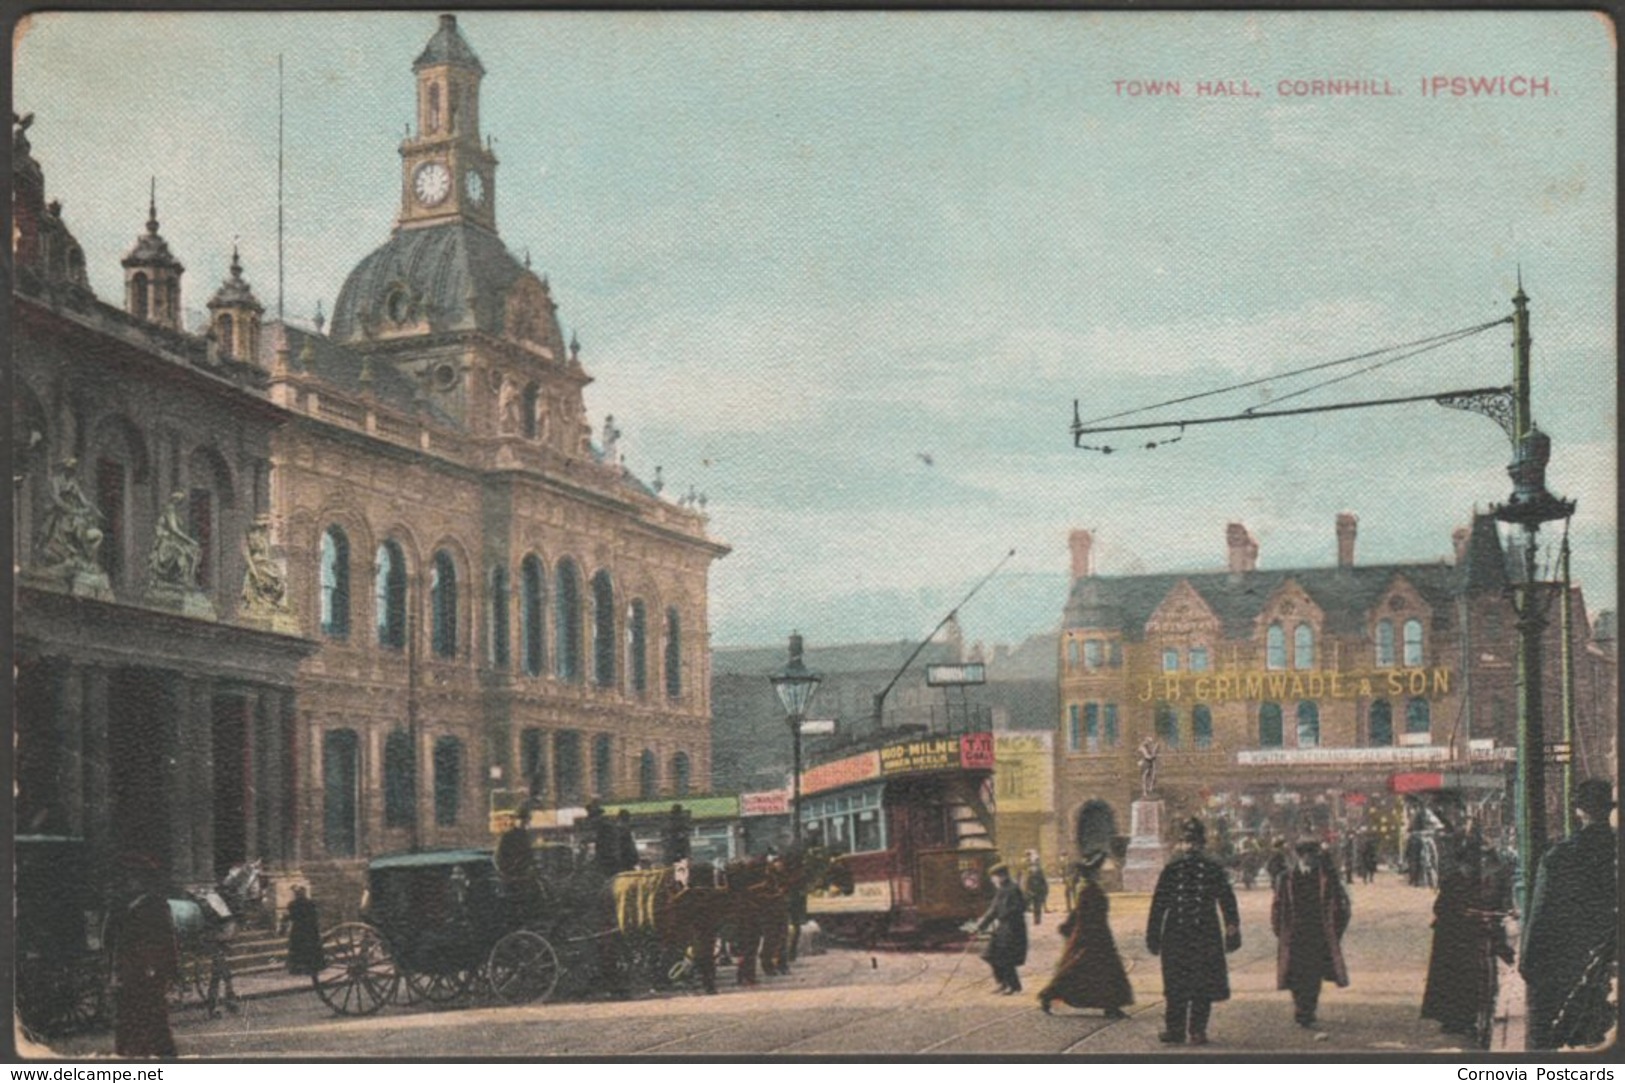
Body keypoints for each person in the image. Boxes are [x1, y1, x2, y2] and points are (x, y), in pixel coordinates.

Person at [1521, 778, 1618, 1050]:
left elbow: (1540, 918)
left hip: (1563, 967)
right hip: (1609, 965)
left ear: (1579, 810)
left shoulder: (1559, 858)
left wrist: (1529, 965)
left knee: (1550, 1045)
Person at [1146, 817, 1241, 1046]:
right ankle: (1175, 1030)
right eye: (1187, 842)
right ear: (1181, 844)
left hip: (1204, 933)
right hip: (1175, 933)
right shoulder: (1172, 868)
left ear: (1201, 844)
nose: (1190, 847)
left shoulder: (1212, 868)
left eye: (1194, 842)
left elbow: (1227, 900)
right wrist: (1153, 934)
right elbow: (1159, 903)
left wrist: (1232, 928)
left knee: (1202, 984)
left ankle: (1198, 1030)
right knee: (1175, 985)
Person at [1038, 850, 1132, 1018]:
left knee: (1101, 971)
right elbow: (1081, 914)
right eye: (1098, 870)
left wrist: (1069, 926)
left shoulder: (1090, 888)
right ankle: (1048, 995)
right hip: (1090, 937)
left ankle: (1112, 1006)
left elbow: (1077, 912)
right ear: (1092, 872)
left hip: (1098, 935)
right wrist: (1077, 932)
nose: (1101, 873)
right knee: (1079, 970)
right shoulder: (1089, 890)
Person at [1272, 840, 1350, 1028]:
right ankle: (1301, 1006)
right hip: (1295, 933)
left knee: (1314, 974)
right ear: (1300, 856)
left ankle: (1307, 1010)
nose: (1311, 859)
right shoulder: (1286, 878)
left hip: (1317, 932)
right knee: (1295, 973)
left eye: (1314, 855)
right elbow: (1277, 905)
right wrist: (1279, 930)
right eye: (1307, 855)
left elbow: (1342, 907)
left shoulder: (1327, 878)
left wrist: (1335, 931)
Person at [107, 853, 178, 1057]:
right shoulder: (122, 905)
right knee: (127, 1023)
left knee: (154, 1022)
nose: (130, 881)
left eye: (134, 877)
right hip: (126, 972)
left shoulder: (155, 905)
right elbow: (113, 939)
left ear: (144, 880)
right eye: (128, 877)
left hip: (148, 973)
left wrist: (162, 969)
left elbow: (166, 940)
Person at [975, 863, 1029, 994]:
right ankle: (1003, 983)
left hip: (1013, 928)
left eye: (994, 877)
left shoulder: (1012, 889)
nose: (992, 880)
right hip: (1003, 928)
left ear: (1002, 876)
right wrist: (981, 926)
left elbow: (1019, 908)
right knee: (990, 954)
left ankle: (1013, 986)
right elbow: (993, 910)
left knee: (1005, 957)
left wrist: (1003, 914)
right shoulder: (1002, 889)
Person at [283, 885, 324, 977]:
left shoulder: (292, 904)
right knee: (310, 948)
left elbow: (290, 917)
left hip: (299, 930)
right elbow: (315, 916)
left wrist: (283, 925)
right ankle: (313, 966)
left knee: (298, 948)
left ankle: (298, 968)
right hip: (310, 930)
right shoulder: (310, 903)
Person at [1023, 852, 1049, 925]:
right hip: (1032, 891)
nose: (1033, 868)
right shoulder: (1029, 873)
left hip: (1038, 891)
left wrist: (1045, 890)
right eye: (1032, 866)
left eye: (1035, 866)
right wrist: (1028, 890)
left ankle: (1037, 919)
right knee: (1031, 905)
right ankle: (1033, 918)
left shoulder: (1040, 872)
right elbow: (1027, 883)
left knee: (1037, 906)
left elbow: (1043, 881)